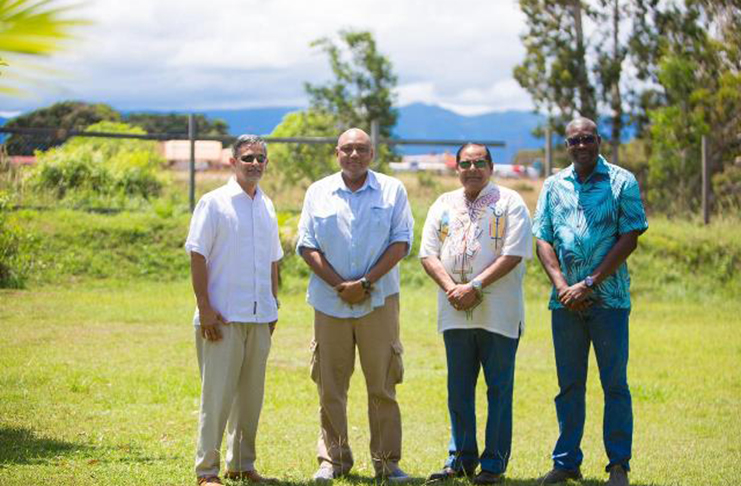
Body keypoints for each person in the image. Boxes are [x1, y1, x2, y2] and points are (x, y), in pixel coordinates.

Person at [533, 118, 648, 486]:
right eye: (574, 140)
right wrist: (565, 286)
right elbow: (543, 239)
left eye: (587, 139)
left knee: (614, 384)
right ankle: (566, 462)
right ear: (567, 145)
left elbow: (630, 236)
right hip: (565, 303)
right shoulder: (553, 185)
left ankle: (618, 464)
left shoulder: (621, 181)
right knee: (569, 386)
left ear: (598, 140)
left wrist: (589, 282)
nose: (581, 145)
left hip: (609, 300)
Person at [296, 128, 414, 482]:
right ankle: (333, 460)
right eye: (347, 149)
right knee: (330, 385)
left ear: (372, 153)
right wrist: (339, 285)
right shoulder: (318, 191)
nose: (354, 155)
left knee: (382, 384)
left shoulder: (392, 190)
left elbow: (401, 241)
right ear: (336, 153)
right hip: (329, 303)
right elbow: (306, 245)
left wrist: (364, 283)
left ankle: (387, 462)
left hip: (378, 301)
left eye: (361, 149)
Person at [419, 143, 533, 485]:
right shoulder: (443, 203)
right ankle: (461, 458)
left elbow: (514, 253)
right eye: (465, 163)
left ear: (491, 166)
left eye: (479, 162)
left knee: (498, 388)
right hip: (453, 311)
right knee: (458, 388)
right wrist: (452, 288)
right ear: (457, 168)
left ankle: (494, 464)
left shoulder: (511, 202)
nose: (472, 169)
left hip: (498, 311)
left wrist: (476, 286)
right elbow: (427, 253)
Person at [185, 135, 283, 486]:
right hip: (222, 318)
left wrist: (273, 305)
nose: (255, 163)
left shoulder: (266, 205)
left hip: (259, 318)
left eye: (260, 158)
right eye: (248, 158)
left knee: (250, 399)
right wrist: (205, 309)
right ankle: (207, 471)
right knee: (217, 397)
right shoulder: (214, 203)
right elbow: (198, 255)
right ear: (233, 162)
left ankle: (242, 464)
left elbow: (274, 260)